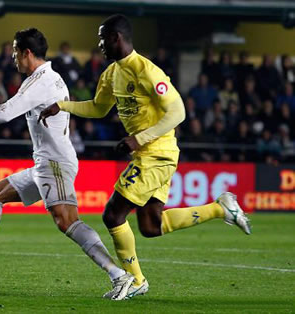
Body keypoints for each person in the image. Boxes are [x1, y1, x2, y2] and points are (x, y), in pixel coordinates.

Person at [39, 14, 251, 300]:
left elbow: (178, 112)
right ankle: (220, 209)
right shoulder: (112, 73)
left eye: (102, 38)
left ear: (116, 38)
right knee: (151, 226)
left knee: (113, 214)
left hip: (157, 153)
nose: (99, 44)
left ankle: (135, 280)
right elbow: (98, 108)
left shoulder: (147, 70)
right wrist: (61, 106)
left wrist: (139, 138)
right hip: (150, 154)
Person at [0, 28, 127, 298]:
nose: (14, 58)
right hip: (45, 163)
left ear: (27, 53)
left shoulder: (42, 81)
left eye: (16, 52)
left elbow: (6, 112)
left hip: (55, 163)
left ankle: (119, 275)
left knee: (67, 221)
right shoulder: (45, 78)